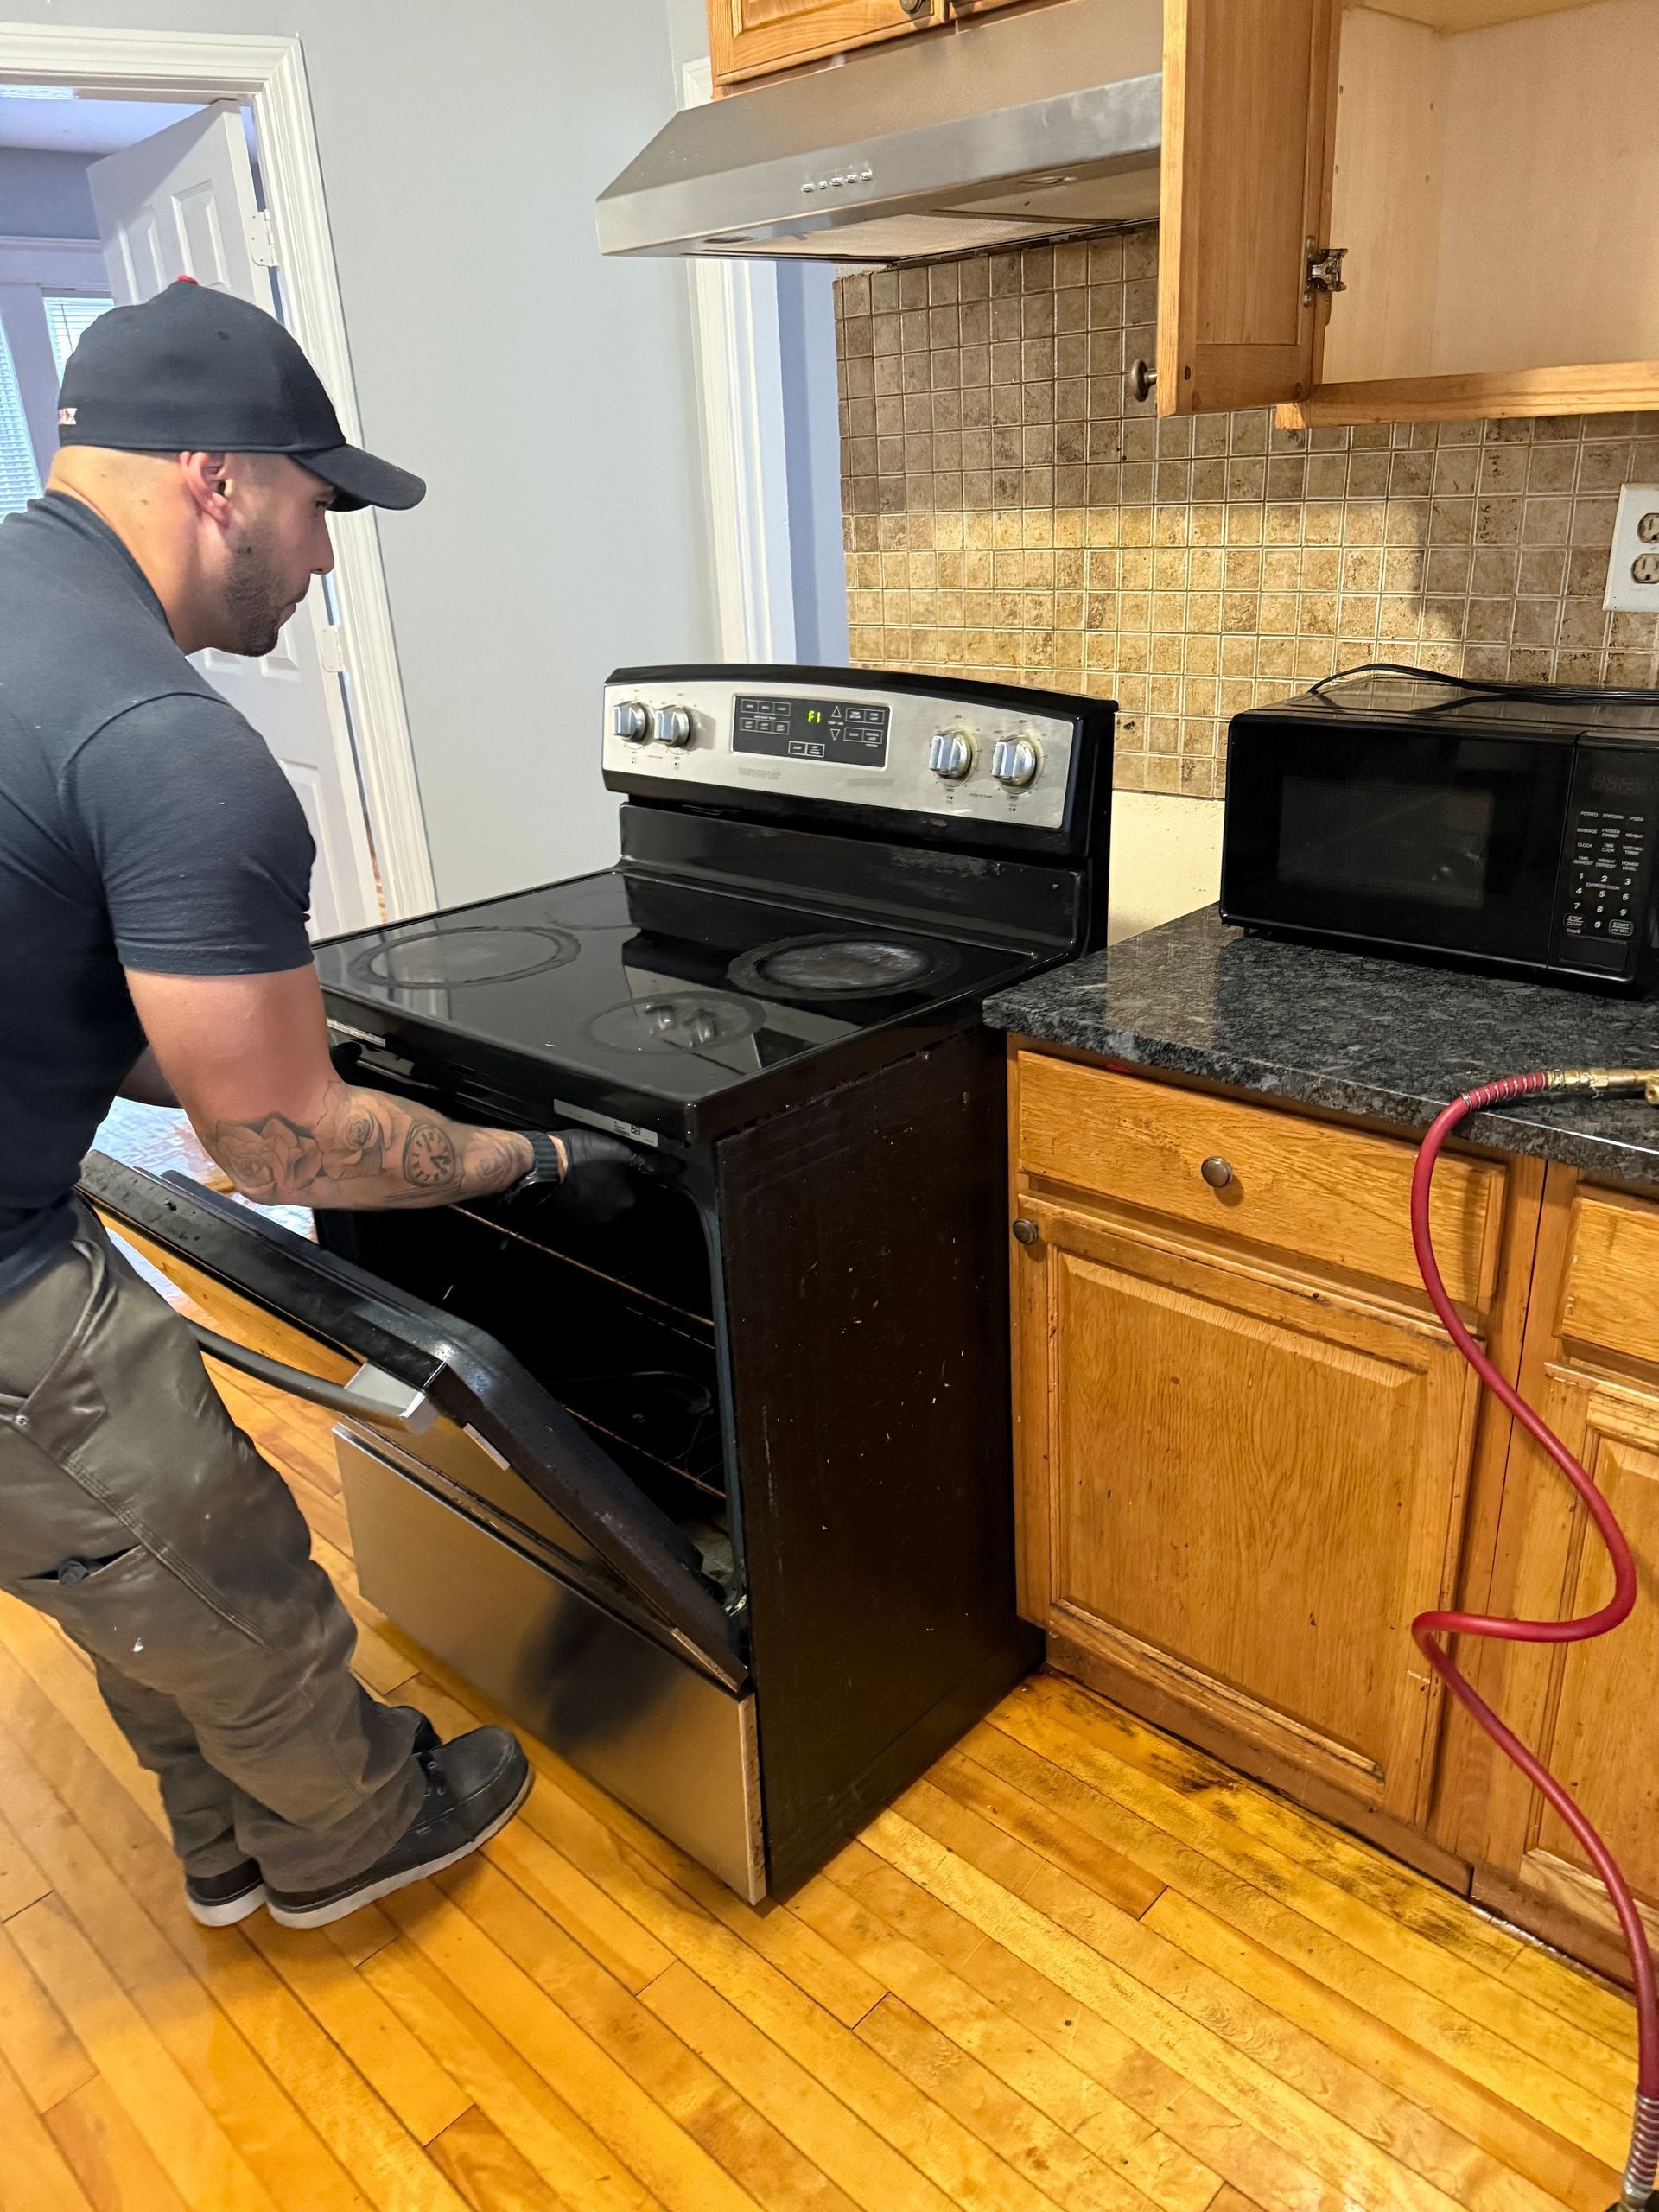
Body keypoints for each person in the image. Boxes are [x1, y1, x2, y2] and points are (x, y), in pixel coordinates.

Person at [0, 278, 641, 1929]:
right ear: (219, 479)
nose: (330, 552)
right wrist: (543, 1159)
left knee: (106, 1567)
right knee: (213, 1556)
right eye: (318, 501)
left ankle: (224, 1845)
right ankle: (357, 1840)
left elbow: (80, 997)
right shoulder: (165, 743)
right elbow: (276, 1141)